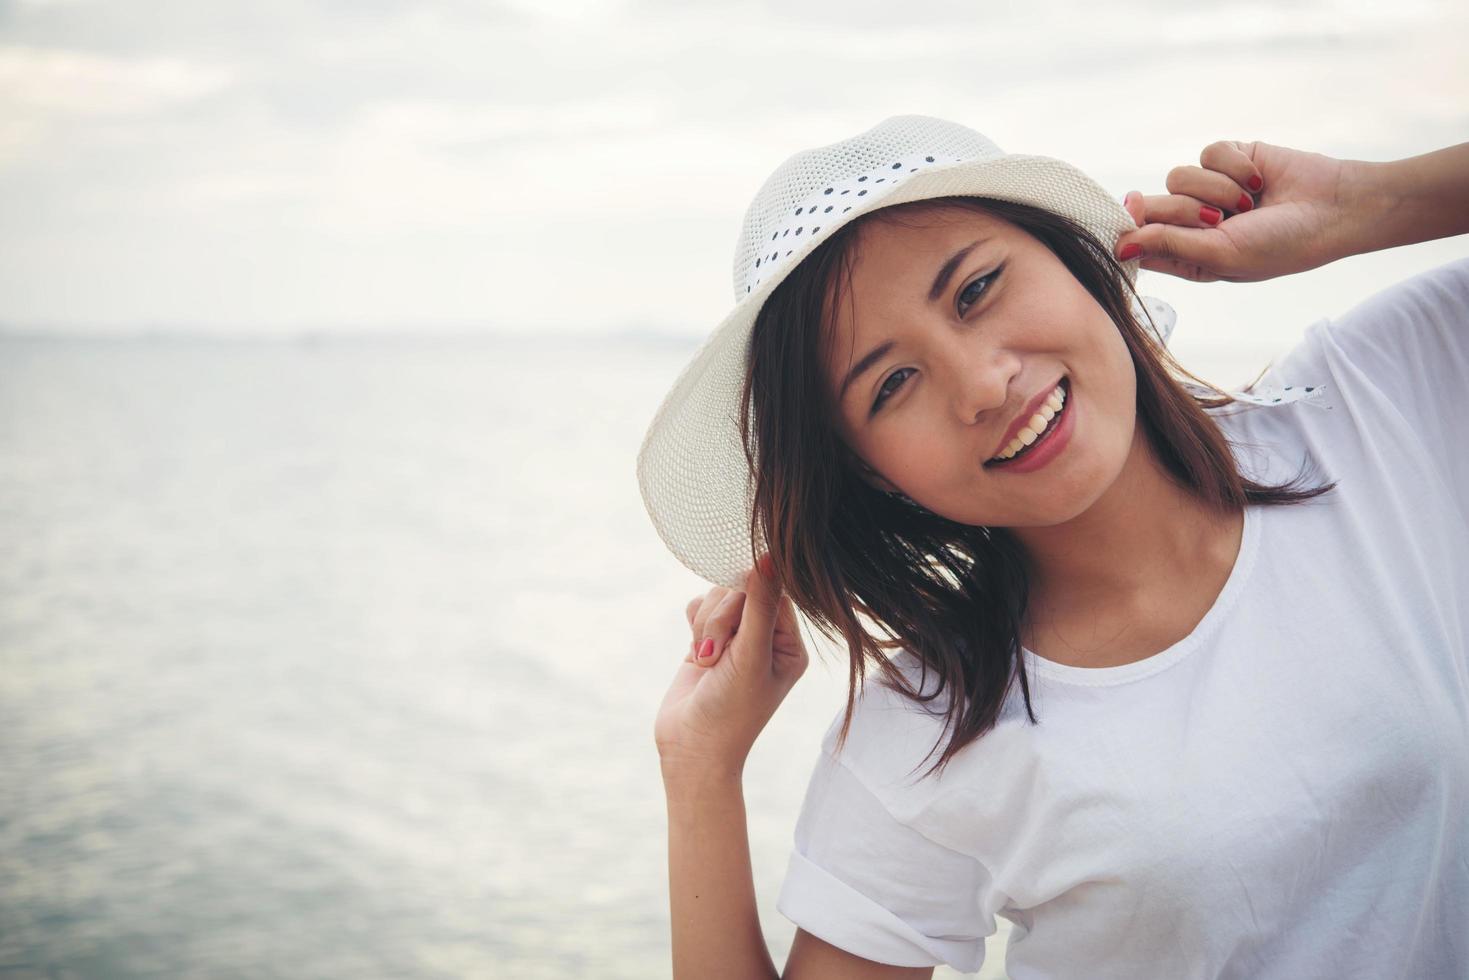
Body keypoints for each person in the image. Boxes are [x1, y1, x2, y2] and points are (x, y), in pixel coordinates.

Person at [642, 114, 1469, 979]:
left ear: (1075, 261)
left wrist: (1366, 205)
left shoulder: (1373, 407)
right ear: (873, 472)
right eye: (891, 383)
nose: (981, 384)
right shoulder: (928, 730)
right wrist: (698, 771)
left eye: (975, 291)